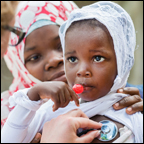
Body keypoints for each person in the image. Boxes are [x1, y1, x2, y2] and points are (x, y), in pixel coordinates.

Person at [1, 1, 143, 143]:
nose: (81, 70)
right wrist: (32, 96)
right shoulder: (44, 111)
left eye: (97, 58)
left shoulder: (133, 106)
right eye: (73, 59)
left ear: (121, 60)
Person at [0, 1, 100, 143]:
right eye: (35, 57)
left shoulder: (114, 94)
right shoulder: (7, 117)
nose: (54, 60)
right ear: (19, 66)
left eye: (61, 44)